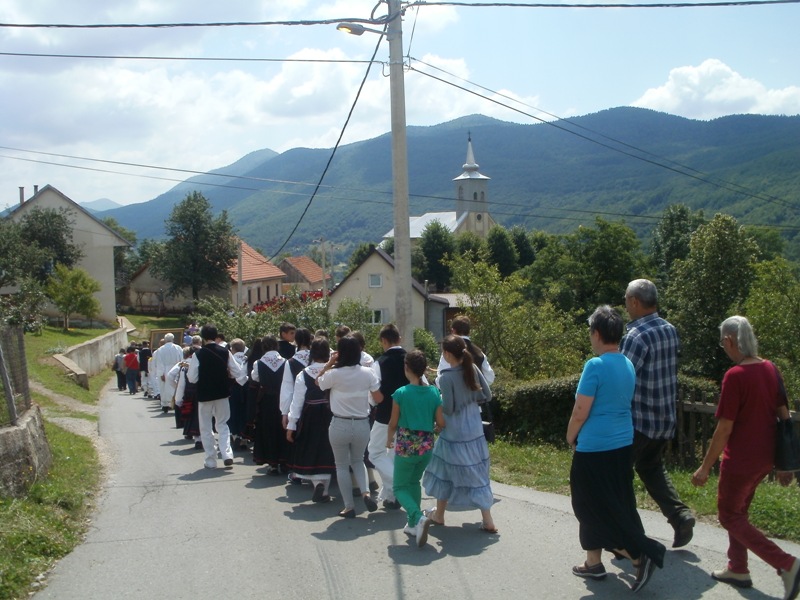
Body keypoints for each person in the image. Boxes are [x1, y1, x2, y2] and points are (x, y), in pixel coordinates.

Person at [691, 316, 800, 599]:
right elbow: (784, 416)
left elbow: (724, 427)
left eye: (722, 343)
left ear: (729, 341)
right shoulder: (770, 369)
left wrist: (705, 467)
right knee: (739, 513)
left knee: (728, 515)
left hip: (740, 460)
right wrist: (785, 464)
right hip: (765, 458)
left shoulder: (735, 376)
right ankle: (738, 568)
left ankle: (787, 564)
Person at [567, 305, 666, 592]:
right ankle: (593, 562)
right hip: (623, 443)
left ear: (596, 333)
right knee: (616, 500)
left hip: (595, 447)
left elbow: (581, 410)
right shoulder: (627, 364)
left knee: (587, 504)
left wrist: (570, 436)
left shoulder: (595, 365)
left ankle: (638, 553)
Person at [621, 278, 695, 548]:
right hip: (664, 419)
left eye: (626, 300)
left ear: (635, 302)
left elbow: (622, 379)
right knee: (650, 467)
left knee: (620, 476)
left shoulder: (636, 336)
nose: (625, 306)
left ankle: (630, 539)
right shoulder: (669, 330)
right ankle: (680, 515)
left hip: (639, 422)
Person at [422, 335, 496, 535]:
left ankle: (440, 514)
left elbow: (449, 407)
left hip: (454, 431)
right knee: (476, 471)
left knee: (442, 469)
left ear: (446, 354)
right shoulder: (472, 368)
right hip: (474, 427)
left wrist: (438, 408)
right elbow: (487, 395)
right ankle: (484, 518)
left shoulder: (445, 377)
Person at [317, 336, 382, 518]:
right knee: (358, 460)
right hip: (362, 423)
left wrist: (329, 364)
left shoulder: (334, 374)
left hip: (339, 423)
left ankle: (349, 506)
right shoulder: (368, 373)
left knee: (341, 465)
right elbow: (378, 398)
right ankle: (366, 492)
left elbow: (318, 382)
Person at [387, 350, 444, 547]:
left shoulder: (401, 393)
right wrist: (435, 427)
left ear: (406, 368)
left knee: (399, 487)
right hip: (426, 446)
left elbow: (393, 423)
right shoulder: (434, 392)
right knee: (413, 482)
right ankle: (413, 525)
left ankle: (417, 516)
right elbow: (441, 422)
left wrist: (388, 440)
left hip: (406, 446)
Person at [187, 324, 247, 470]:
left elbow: (192, 378)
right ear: (216, 336)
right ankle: (227, 454)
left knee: (206, 427)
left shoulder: (198, 354)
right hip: (222, 393)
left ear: (203, 337)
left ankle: (211, 459)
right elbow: (238, 372)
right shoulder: (225, 352)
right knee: (223, 424)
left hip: (205, 394)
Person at [286, 337, 337, 502]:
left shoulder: (304, 373)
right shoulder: (334, 371)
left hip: (311, 413)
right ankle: (324, 488)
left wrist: (291, 424)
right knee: (327, 449)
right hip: (331, 412)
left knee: (311, 447)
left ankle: (317, 484)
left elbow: (297, 401)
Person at [369, 324, 407, 509]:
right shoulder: (411, 358)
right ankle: (392, 496)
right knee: (394, 454)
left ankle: (399, 485)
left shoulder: (380, 362)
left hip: (385, 415)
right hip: (409, 415)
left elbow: (374, 395)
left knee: (375, 452)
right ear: (399, 338)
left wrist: (373, 404)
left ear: (384, 341)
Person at [251, 335, 290, 471]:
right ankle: (284, 460)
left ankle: (272, 463)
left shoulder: (259, 363)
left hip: (266, 399)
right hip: (282, 398)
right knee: (282, 427)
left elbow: (254, 377)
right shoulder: (285, 362)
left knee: (268, 429)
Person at [435, 315, 495, 386]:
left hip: (456, 395)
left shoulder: (449, 351)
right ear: (469, 332)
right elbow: (490, 378)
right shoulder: (479, 352)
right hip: (477, 395)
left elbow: (441, 379)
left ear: (453, 330)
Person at [153, 333, 184, 413]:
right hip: (176, 369)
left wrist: (161, 373)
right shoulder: (178, 348)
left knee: (164, 388)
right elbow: (182, 360)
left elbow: (159, 362)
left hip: (165, 370)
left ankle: (165, 404)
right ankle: (174, 403)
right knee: (175, 387)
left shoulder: (160, 349)